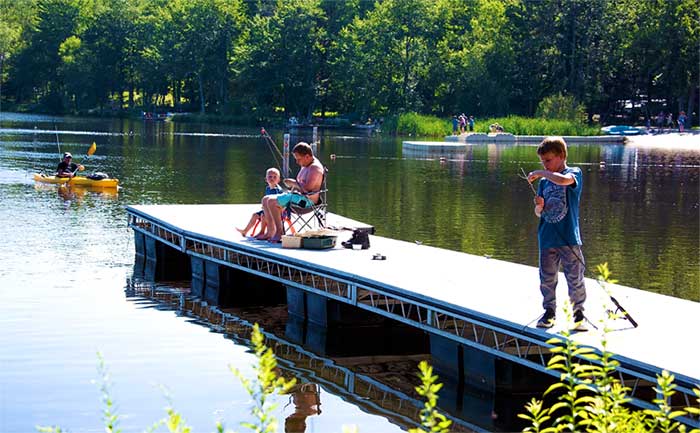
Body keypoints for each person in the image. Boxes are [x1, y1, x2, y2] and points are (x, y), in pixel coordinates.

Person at [527, 137, 587, 331]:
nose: (545, 164)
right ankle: (549, 312)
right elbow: (539, 212)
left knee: (575, 277)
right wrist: (539, 206)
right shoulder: (544, 182)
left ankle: (578, 313)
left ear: (561, 156)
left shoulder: (573, 173)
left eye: (549, 160)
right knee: (547, 278)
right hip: (547, 237)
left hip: (569, 237)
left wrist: (541, 172)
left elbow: (564, 181)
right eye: (543, 161)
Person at [260, 142, 324, 242]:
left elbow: (307, 189)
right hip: (298, 197)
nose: (297, 162)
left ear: (307, 156)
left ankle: (279, 233)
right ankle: (270, 231)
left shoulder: (315, 168)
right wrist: (292, 185)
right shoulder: (307, 164)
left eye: (298, 159)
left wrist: (293, 183)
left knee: (272, 202)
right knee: (265, 199)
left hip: (307, 202)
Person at [236, 167, 283, 237]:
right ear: (266, 179)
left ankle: (263, 232)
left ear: (278, 179)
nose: (272, 178)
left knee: (263, 216)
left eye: (274, 177)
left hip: (275, 211)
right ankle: (245, 231)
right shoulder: (268, 188)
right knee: (254, 215)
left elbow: (278, 202)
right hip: (266, 209)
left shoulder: (277, 190)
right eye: (270, 177)